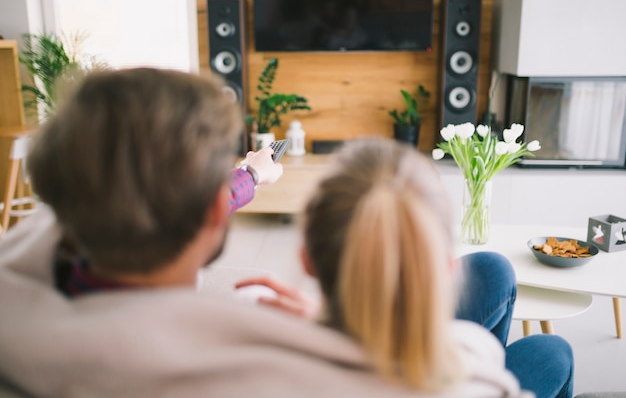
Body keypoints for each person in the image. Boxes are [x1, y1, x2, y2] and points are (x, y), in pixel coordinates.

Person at [0, 67, 530, 397]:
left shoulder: (31, 275)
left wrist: (250, 174)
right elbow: (468, 373)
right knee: (531, 331)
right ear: (213, 212)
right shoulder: (247, 364)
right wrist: (327, 323)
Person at [236, 138, 574, 398]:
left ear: (307, 259)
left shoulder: (249, 350)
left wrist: (325, 327)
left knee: (493, 269)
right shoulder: (474, 358)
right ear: (444, 270)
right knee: (551, 351)